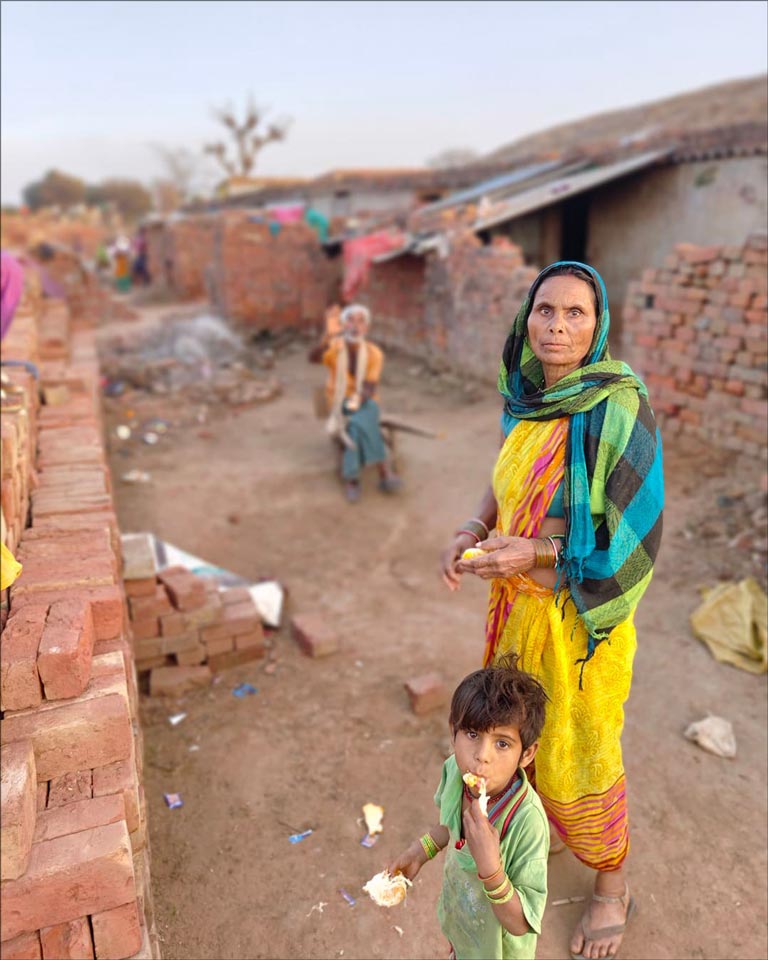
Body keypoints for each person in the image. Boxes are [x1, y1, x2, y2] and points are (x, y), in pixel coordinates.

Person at [440, 261, 664, 960]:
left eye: (576, 313)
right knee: (516, 736)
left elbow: (630, 540)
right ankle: (534, 839)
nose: (558, 327)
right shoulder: (528, 393)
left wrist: (533, 555)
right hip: (516, 611)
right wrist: (473, 531)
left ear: (599, 326)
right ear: (526, 317)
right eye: (545, 310)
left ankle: (611, 886)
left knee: (580, 755)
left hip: (579, 628)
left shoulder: (616, 404)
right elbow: (506, 468)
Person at [387, 655, 549, 959]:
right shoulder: (454, 773)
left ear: (527, 754)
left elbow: (521, 924)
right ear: (453, 734)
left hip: (499, 950)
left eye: (502, 743)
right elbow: (451, 826)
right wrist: (422, 850)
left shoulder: (527, 822)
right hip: (465, 925)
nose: (482, 756)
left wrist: (491, 870)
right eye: (472, 735)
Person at [308, 303, 401, 503]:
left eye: (360, 321)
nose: (355, 326)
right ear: (342, 325)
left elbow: (370, 386)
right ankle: (384, 470)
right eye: (350, 320)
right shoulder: (335, 347)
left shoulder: (374, 353)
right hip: (338, 401)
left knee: (356, 424)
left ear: (366, 327)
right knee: (359, 422)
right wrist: (327, 336)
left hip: (366, 401)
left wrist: (357, 402)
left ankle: (352, 479)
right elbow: (313, 358)